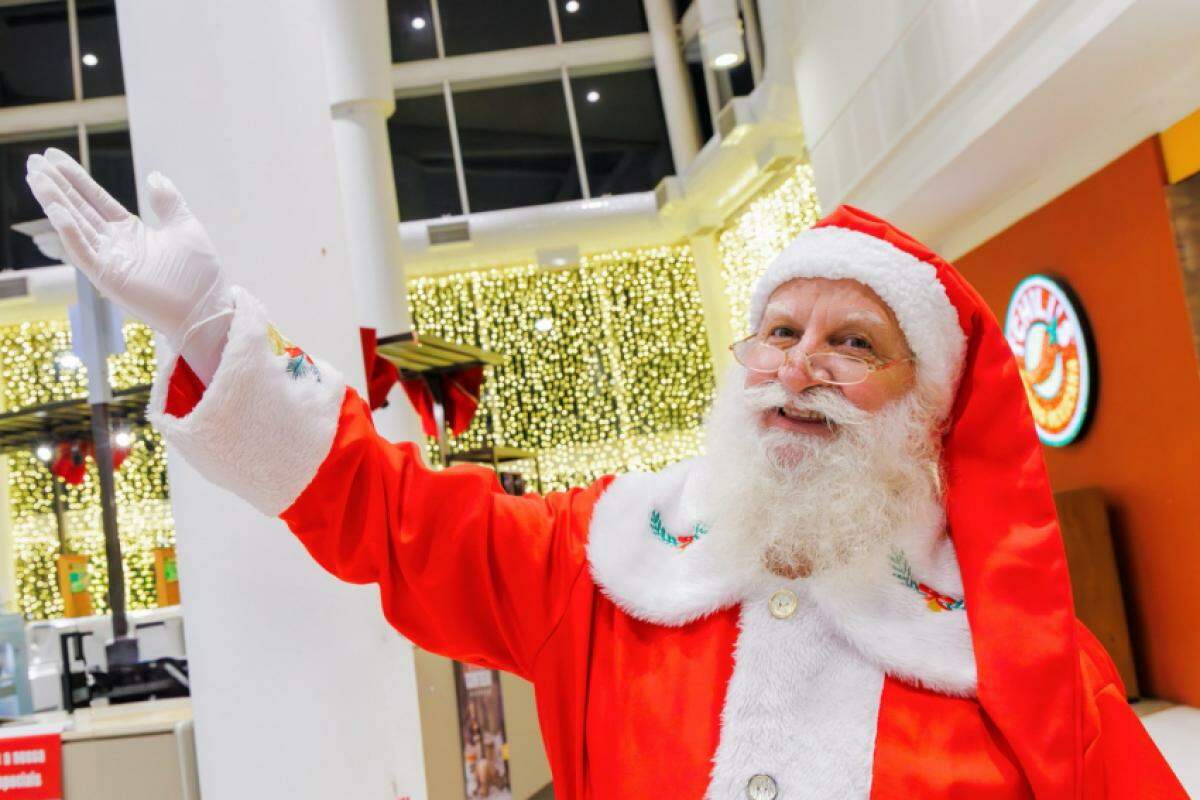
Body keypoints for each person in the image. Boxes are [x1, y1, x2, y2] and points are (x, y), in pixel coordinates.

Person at [25, 149, 1186, 799]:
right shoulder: (611, 555)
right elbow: (394, 515)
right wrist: (214, 328)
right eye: (779, 332)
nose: (801, 369)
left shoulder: (1014, 658)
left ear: (925, 412)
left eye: (855, 344)